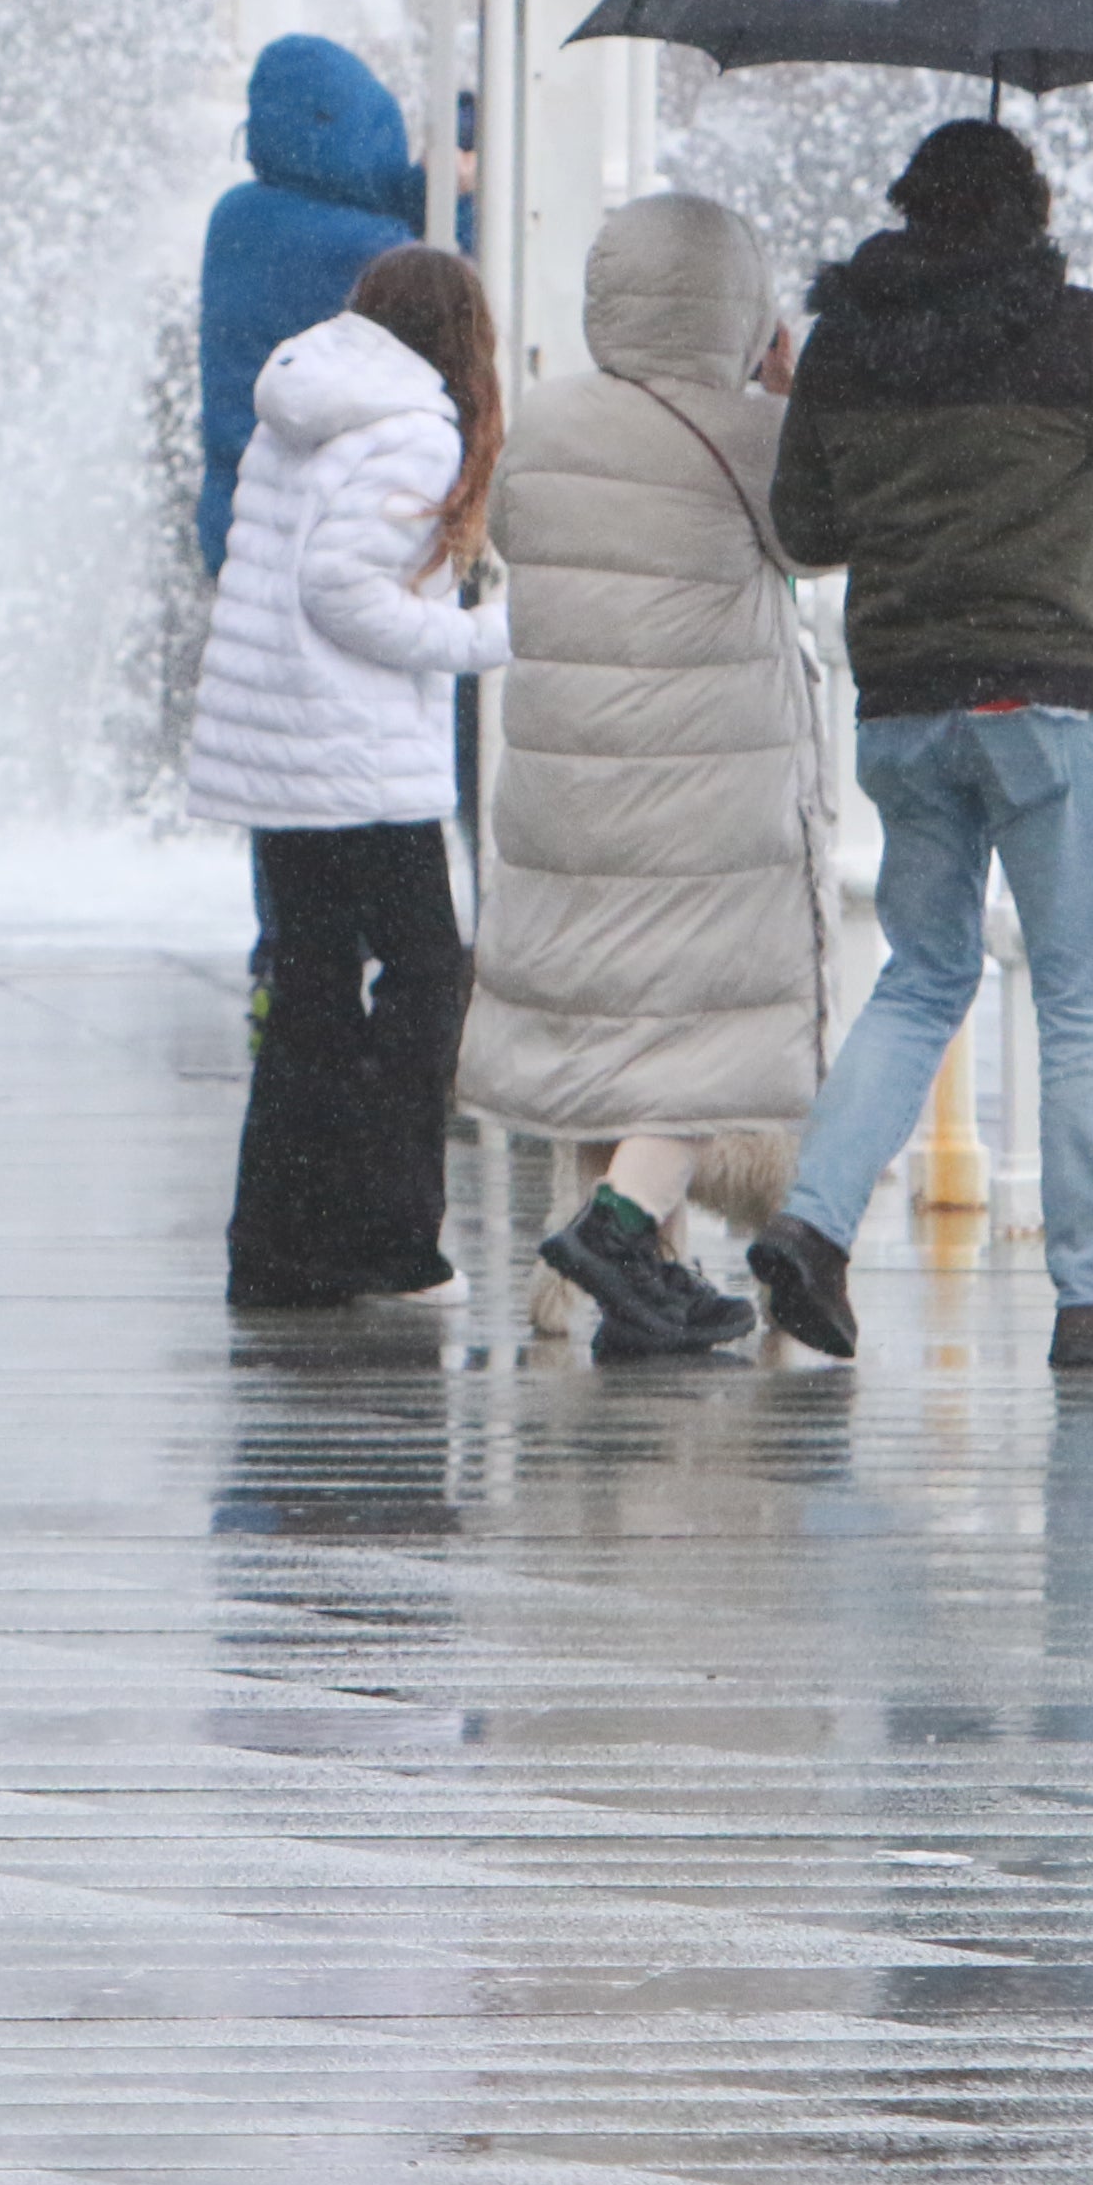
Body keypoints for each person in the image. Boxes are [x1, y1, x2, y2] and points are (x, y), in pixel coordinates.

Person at [751, 119, 1093, 1368]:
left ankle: (810, 1226)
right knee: (1078, 1001)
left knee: (922, 977)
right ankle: (1091, 1296)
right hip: (1039, 708)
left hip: (907, 708)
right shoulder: (1077, 333)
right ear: (1032, 215)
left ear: (910, 208)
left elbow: (805, 526)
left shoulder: (846, 346)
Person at [461, 194, 829, 1361]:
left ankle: (648, 1291)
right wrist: (791, 389)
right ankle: (619, 1231)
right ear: (736, 303)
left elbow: (513, 533)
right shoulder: (749, 434)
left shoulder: (549, 422)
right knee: (698, 1033)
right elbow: (824, 535)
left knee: (626, 1015)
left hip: (572, 784)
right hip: (704, 789)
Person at [185, 243, 510, 1305]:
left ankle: (279, 1245)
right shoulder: (414, 430)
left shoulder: (311, 400)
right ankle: (388, 1241)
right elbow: (342, 591)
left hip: (285, 755)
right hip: (356, 758)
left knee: (315, 990)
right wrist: (487, 636)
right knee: (428, 977)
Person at [195, 36, 424, 576]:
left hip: (240, 510)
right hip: (315, 523)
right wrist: (457, 201)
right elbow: (440, 281)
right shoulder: (360, 249)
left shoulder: (236, 216)